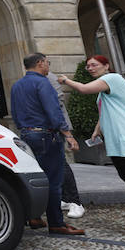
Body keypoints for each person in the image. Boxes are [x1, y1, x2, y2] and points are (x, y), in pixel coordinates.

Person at [58, 55, 125, 234]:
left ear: (106, 66)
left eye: (94, 65)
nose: (90, 68)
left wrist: (66, 80)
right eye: (88, 66)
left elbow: (84, 89)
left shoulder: (111, 78)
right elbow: (108, 110)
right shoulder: (106, 86)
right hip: (121, 136)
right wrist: (97, 129)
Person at [10, 53, 84, 235]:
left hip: (26, 134)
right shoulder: (43, 82)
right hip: (45, 135)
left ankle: (33, 217)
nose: (48, 66)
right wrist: (68, 135)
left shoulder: (17, 85)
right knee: (53, 181)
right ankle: (57, 223)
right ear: (40, 63)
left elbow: (15, 112)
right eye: (47, 63)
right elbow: (53, 111)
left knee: (32, 178)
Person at [47, 71, 86, 219]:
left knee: (61, 163)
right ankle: (65, 198)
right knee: (54, 165)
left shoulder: (48, 77)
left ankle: (75, 201)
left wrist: (66, 133)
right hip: (47, 129)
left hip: (56, 128)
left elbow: (57, 104)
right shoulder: (36, 77)